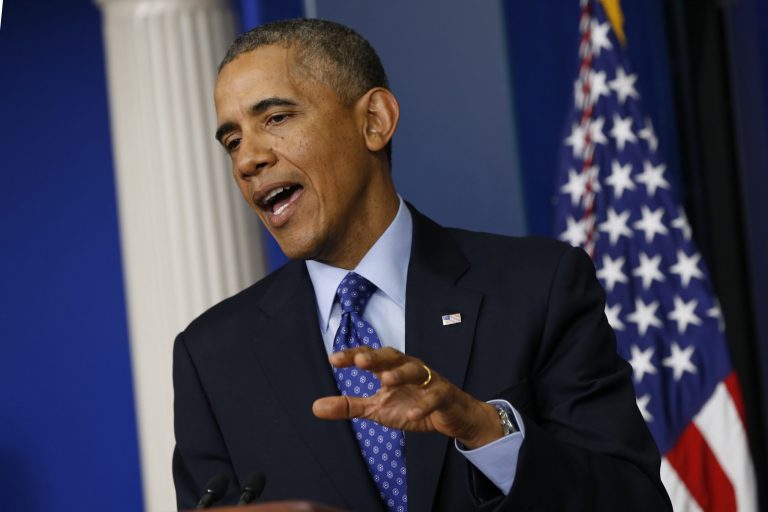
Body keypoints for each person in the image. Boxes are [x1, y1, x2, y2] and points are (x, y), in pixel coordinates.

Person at [172, 18, 672, 511]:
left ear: (374, 121)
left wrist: (484, 430)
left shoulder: (538, 288)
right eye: (232, 140)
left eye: (276, 118)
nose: (246, 160)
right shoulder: (213, 356)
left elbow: (635, 502)